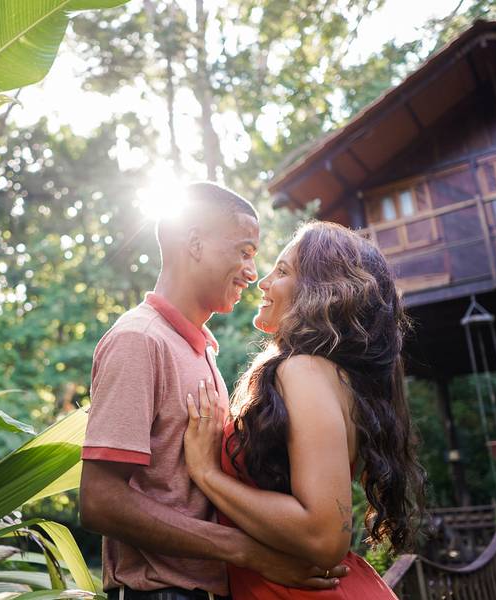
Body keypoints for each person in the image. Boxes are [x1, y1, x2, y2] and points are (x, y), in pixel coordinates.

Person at [79, 185, 349, 600]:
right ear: (195, 244)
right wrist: (245, 552)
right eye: (244, 251)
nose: (251, 272)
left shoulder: (201, 349)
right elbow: (99, 501)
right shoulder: (138, 339)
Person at [183, 221, 427, 599]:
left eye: (282, 271)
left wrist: (206, 474)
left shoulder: (303, 370)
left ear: (322, 292)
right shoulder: (322, 374)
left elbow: (325, 537)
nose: (262, 282)